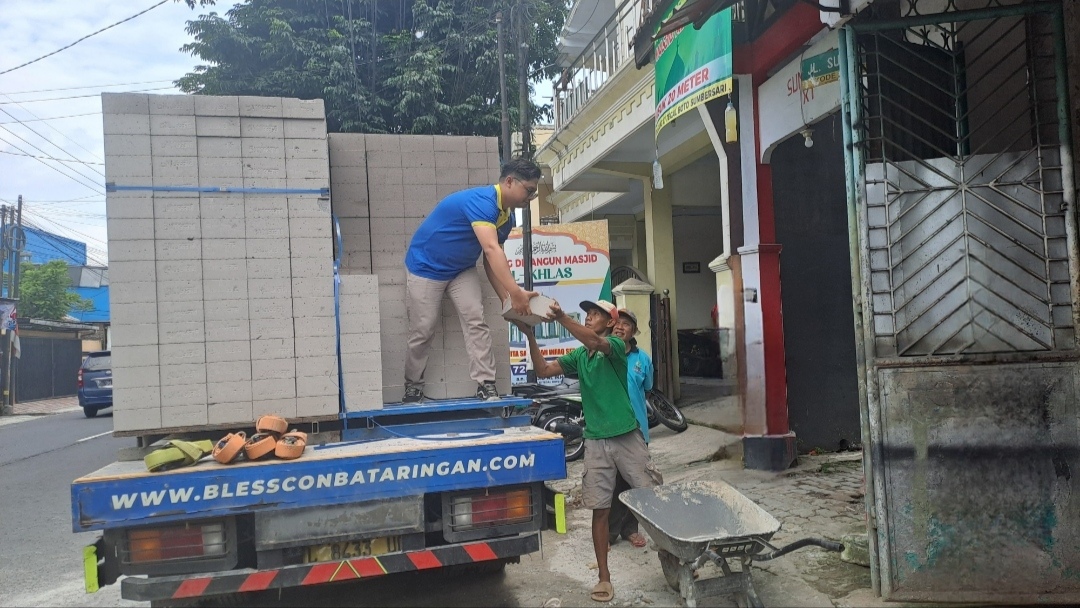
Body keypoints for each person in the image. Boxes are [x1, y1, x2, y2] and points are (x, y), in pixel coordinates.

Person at [512, 299, 662, 603]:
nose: (590, 317)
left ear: (609, 324)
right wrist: (529, 335)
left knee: (653, 503)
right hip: (595, 441)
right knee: (600, 509)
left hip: (627, 436)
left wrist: (562, 316)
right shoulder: (581, 356)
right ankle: (604, 579)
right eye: (588, 314)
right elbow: (542, 370)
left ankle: (675, 561)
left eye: (595, 314)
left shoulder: (616, 348)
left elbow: (594, 340)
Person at [402, 158, 541, 403]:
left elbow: (490, 261)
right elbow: (490, 249)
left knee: (476, 319)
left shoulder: (506, 218)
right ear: (509, 181)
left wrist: (506, 300)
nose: (530, 197)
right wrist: (515, 291)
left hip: (461, 268)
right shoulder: (483, 202)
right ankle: (413, 385)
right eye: (528, 190)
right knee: (423, 328)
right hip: (426, 266)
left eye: (534, 193)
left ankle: (486, 384)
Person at [607, 308, 654, 549]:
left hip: (637, 432)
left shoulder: (643, 359)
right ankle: (610, 532)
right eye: (617, 322)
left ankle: (630, 529)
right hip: (611, 431)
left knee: (637, 483)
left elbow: (646, 389)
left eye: (626, 324)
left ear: (634, 331)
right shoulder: (602, 354)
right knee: (613, 483)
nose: (620, 327)